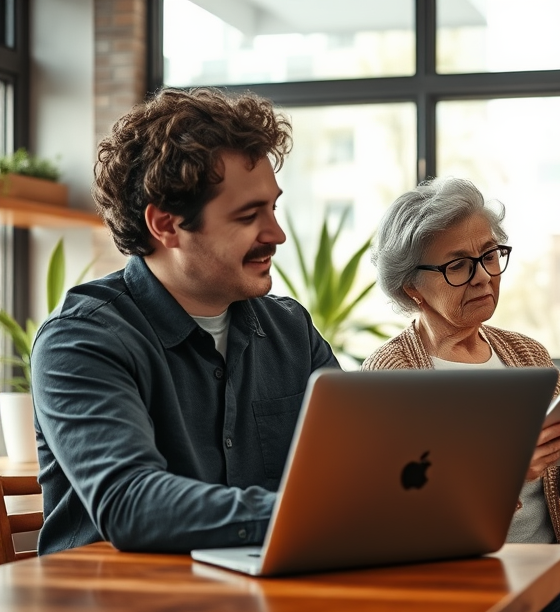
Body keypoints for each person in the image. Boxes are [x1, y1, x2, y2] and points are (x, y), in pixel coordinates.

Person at [31, 87, 339, 554]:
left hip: (265, 594)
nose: (275, 234)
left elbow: (352, 468)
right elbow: (131, 504)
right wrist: (307, 512)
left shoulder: (291, 330)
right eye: (248, 216)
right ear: (166, 225)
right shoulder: (80, 340)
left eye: (273, 207)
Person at [363, 177, 560, 612]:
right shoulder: (391, 375)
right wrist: (507, 473)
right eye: (459, 266)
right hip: (448, 584)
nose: (485, 276)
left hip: (552, 574)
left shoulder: (528, 355)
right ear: (412, 287)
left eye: (490, 256)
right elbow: (403, 518)